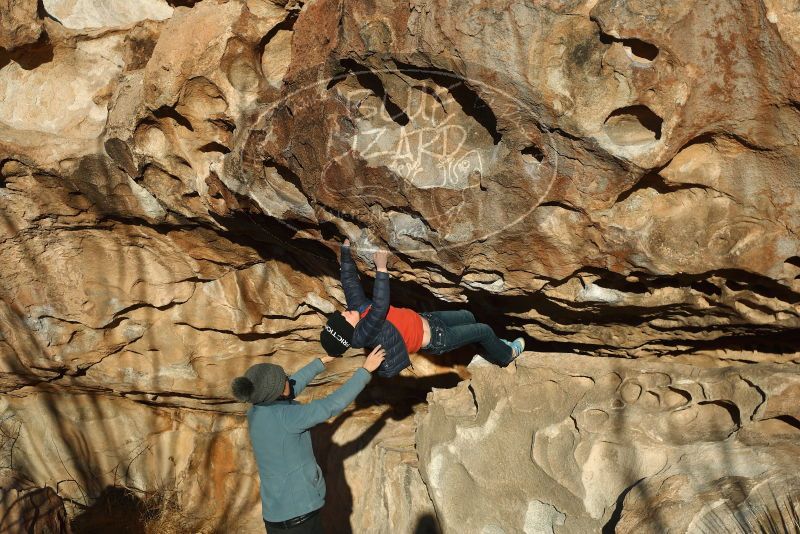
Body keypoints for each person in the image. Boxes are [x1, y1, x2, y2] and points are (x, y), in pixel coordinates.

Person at [231, 346, 386, 533]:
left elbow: (289, 390)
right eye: (284, 379)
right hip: (300, 521)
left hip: (275, 518)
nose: (288, 378)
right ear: (276, 392)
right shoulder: (288, 417)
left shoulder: (256, 412)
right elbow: (330, 405)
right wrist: (365, 371)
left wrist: (319, 363)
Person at [319, 240, 524, 377]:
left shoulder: (357, 310)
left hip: (428, 319)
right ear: (350, 330)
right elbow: (380, 307)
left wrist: (345, 254)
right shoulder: (364, 333)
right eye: (344, 318)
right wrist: (381, 268)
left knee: (468, 315)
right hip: (437, 338)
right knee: (483, 330)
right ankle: (506, 355)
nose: (345, 311)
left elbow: (349, 283)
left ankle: (493, 347)